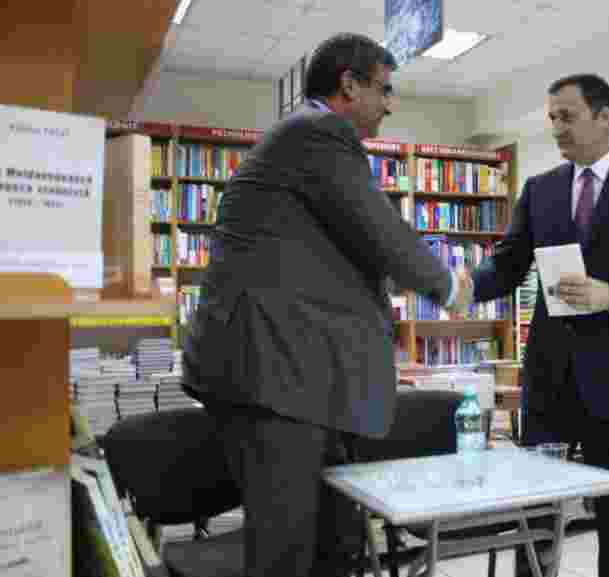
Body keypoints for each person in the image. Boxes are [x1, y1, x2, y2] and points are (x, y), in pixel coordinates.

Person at [179, 33, 472, 577]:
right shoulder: (319, 133)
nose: (390, 103)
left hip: (299, 377)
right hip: (273, 372)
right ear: (348, 84)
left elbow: (340, 255)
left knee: (334, 539)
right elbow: (380, 229)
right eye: (384, 89)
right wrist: (451, 286)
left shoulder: (303, 142)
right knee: (287, 549)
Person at [466, 73, 609, 577]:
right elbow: (506, 264)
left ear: (605, 116)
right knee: (536, 521)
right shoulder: (540, 190)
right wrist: (463, 285)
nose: (556, 128)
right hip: (550, 380)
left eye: (566, 116)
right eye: (551, 118)